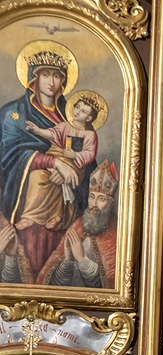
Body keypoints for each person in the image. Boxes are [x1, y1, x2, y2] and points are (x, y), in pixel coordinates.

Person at [0, 43, 95, 277]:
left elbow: (85, 158)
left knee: (59, 265)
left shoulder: (72, 116)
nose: (51, 81)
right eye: (45, 74)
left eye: (57, 76)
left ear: (63, 80)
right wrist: (55, 163)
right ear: (34, 77)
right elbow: (9, 156)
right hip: (24, 205)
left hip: (64, 205)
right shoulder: (14, 113)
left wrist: (70, 170)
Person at [18, 93, 103, 231]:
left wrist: (75, 155)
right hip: (56, 156)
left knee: (61, 181)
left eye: (83, 111)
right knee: (37, 176)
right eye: (77, 107)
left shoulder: (90, 134)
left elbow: (89, 154)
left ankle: (58, 215)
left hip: (74, 165)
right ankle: (30, 216)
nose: (77, 111)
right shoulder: (64, 125)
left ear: (89, 118)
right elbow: (53, 134)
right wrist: (38, 131)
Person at [37, 160, 118, 288]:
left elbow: (107, 289)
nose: (94, 204)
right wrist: (68, 261)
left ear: (110, 203)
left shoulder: (116, 235)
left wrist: (82, 260)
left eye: (101, 198)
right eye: (91, 196)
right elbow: (54, 285)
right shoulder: (78, 225)